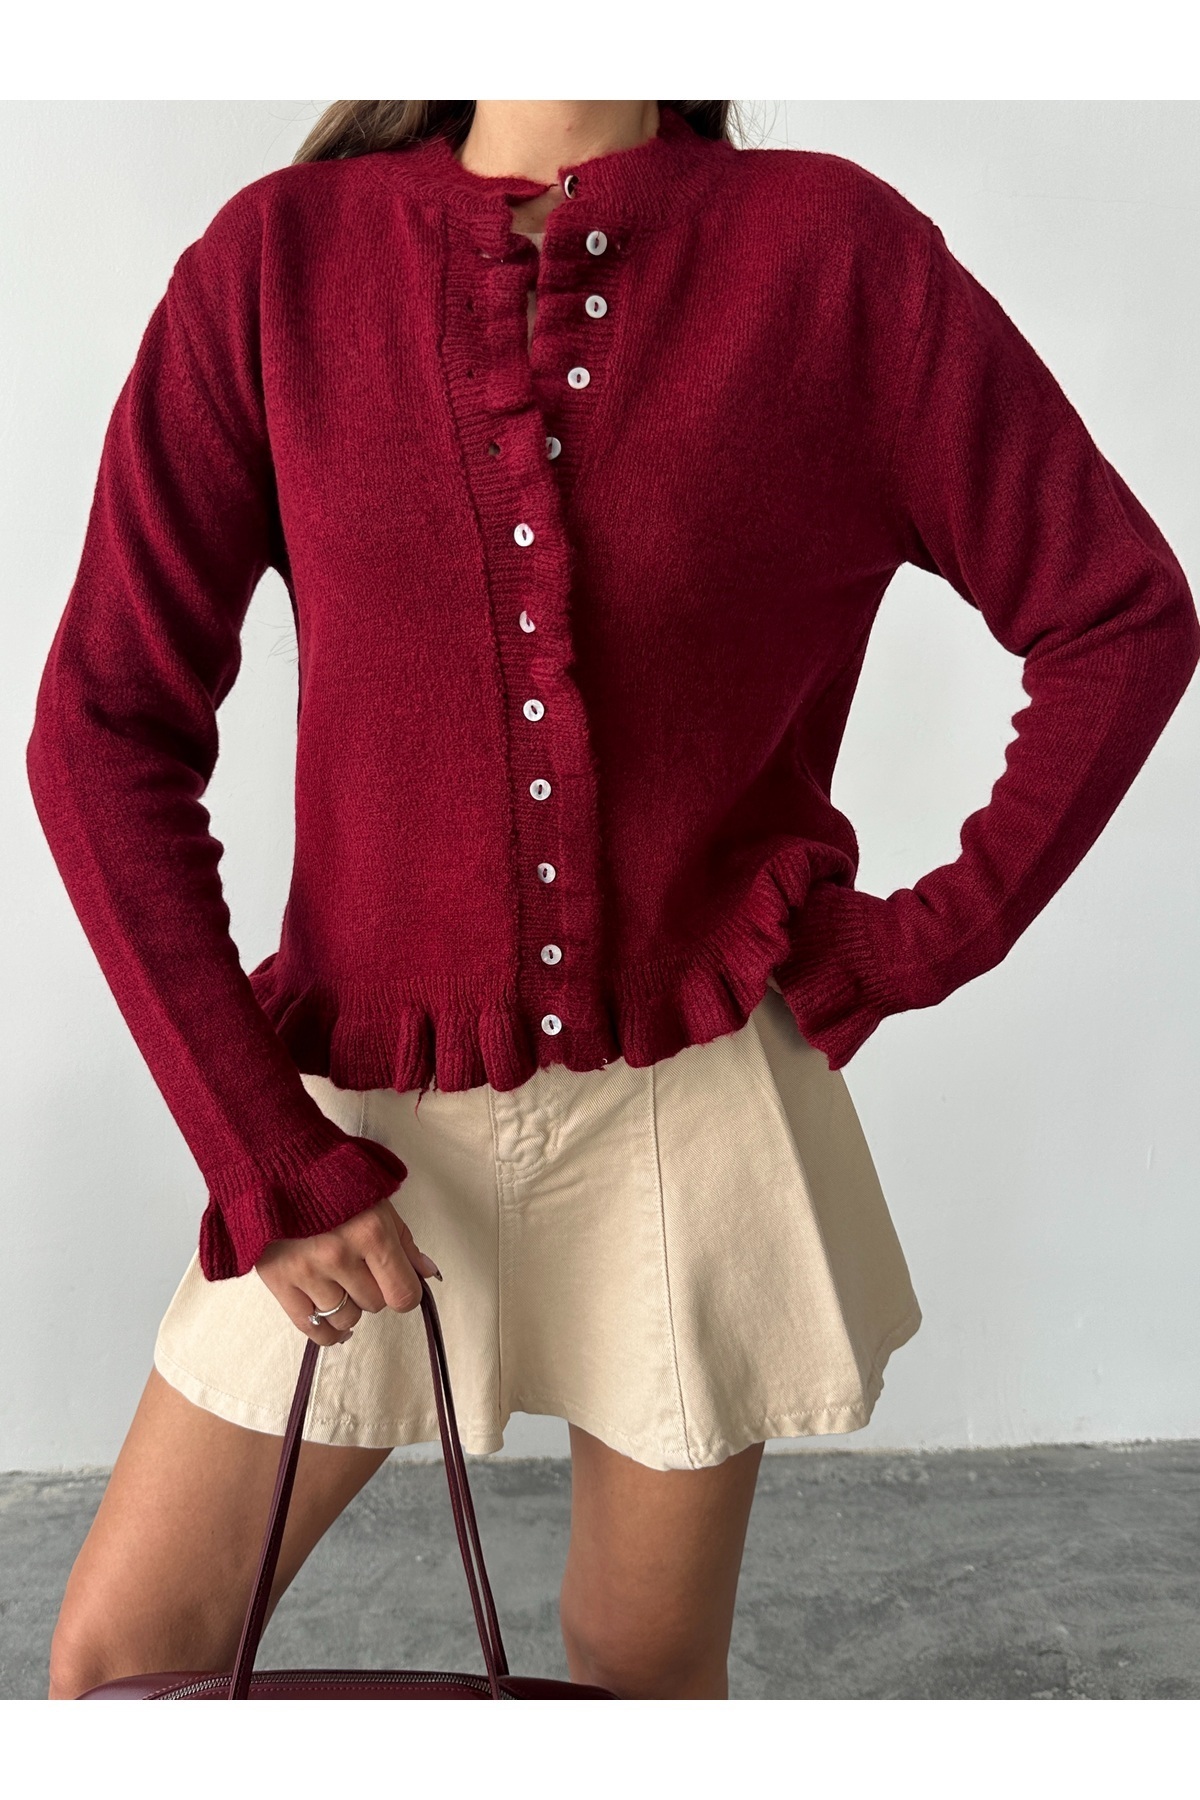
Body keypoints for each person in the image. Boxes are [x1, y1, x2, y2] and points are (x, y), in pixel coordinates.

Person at [28, 99, 1198, 1701]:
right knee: (122, 1669)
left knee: (637, 1687)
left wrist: (921, 939)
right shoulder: (275, 269)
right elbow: (101, 730)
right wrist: (263, 1146)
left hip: (693, 1113)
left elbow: (1119, 613)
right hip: (358, 1115)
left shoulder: (833, 257)